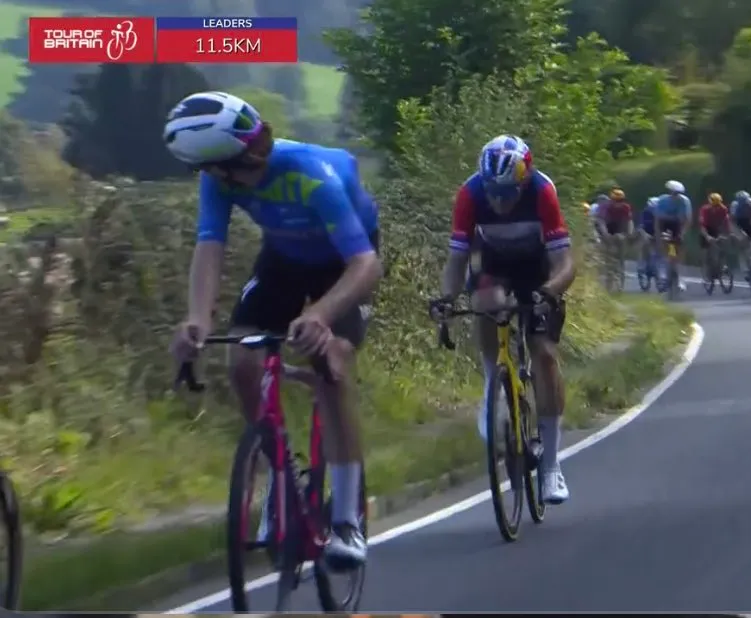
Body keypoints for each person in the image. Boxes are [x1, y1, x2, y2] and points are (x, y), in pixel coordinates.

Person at [165, 92, 382, 569]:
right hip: (284, 258)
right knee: (241, 358)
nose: (263, 148)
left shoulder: (312, 176)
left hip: (344, 262)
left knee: (334, 368)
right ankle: (280, 481)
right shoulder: (219, 181)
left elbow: (365, 263)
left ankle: (346, 518)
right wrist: (197, 318)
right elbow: (209, 246)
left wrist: (321, 315)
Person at [430, 135, 575, 504]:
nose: (499, 200)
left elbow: (565, 265)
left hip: (538, 269)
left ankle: (552, 467)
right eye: (493, 192)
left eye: (508, 192)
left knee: (543, 353)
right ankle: (492, 383)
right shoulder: (470, 194)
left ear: (524, 181)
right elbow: (457, 261)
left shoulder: (542, 192)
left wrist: (549, 293)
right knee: (484, 301)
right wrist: (447, 299)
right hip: (496, 264)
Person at [654, 180, 692, 291]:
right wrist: (658, 235)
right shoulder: (662, 200)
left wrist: (682, 233)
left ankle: (680, 279)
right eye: (674, 193)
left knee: (679, 251)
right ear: (670, 192)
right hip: (664, 224)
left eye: (678, 194)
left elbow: (688, 220)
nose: (676, 196)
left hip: (678, 224)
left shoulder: (685, 201)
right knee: (665, 248)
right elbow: (657, 220)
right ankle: (663, 276)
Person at [698, 192, 732, 280]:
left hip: (717, 229)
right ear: (710, 204)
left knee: (722, 247)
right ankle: (706, 270)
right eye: (714, 205)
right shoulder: (704, 210)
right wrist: (707, 237)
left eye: (718, 205)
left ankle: (722, 265)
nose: (716, 207)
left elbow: (726, 223)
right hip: (706, 229)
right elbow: (702, 226)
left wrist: (727, 234)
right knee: (705, 253)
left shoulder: (723, 209)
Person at [730, 190, 751, 283]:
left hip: (749, 222)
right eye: (741, 202)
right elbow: (732, 221)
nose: (744, 204)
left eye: (745, 202)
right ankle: (745, 269)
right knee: (742, 245)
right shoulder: (735, 206)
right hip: (737, 224)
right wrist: (739, 234)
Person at [638, 197, 659, 276]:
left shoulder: (661, 213)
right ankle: (642, 264)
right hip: (645, 232)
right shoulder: (645, 212)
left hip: (657, 233)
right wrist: (645, 235)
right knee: (645, 243)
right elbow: (641, 226)